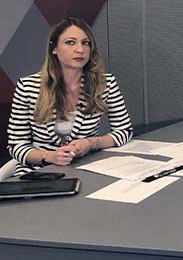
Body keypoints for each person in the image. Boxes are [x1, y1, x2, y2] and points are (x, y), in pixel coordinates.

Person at [7, 17, 133, 175]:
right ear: (54, 49)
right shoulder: (28, 87)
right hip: (38, 172)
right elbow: (16, 145)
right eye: (70, 42)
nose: (80, 49)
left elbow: (124, 131)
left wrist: (91, 143)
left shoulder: (104, 84)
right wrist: (49, 156)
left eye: (85, 43)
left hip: (87, 169)